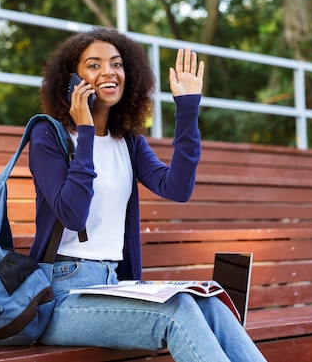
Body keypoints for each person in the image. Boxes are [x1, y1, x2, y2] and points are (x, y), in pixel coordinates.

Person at [28, 27, 267, 362]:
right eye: (94, 65)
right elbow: (73, 214)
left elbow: (178, 188)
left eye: (116, 64)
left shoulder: (127, 141)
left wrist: (186, 108)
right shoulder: (48, 135)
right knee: (178, 310)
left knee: (209, 301)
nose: (109, 72)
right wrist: (84, 131)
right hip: (60, 297)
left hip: (114, 286)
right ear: (71, 80)